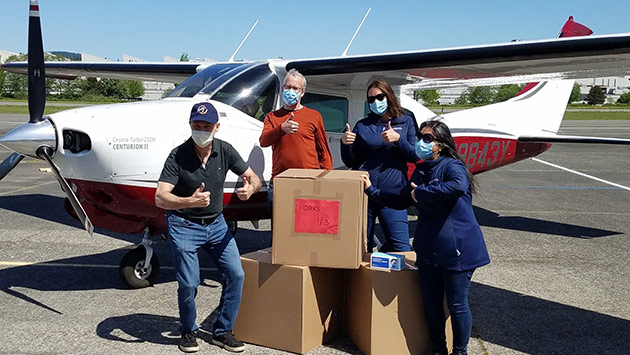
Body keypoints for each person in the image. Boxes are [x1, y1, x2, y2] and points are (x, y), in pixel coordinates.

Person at [363, 119, 490, 355]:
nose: (421, 142)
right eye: (420, 137)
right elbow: (402, 199)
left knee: (457, 303)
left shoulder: (452, 166)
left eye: (428, 138)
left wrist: (420, 193)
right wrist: (372, 190)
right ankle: (438, 348)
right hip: (429, 248)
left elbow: (457, 186)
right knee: (431, 305)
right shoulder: (421, 170)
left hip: (457, 248)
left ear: (440, 144)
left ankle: (460, 351)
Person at [155, 102, 262, 353]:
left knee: (236, 274)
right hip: (184, 225)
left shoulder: (225, 150)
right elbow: (161, 197)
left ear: (217, 127)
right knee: (189, 283)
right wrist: (188, 201)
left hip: (216, 225)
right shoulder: (177, 155)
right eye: (196, 125)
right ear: (190, 126)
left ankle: (222, 332)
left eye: (206, 126)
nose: (201, 130)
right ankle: (188, 330)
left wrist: (250, 188)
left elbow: (252, 176)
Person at [340, 79, 417, 252]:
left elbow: (414, 155)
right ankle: (365, 278)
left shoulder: (406, 120)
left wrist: (399, 140)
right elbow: (352, 161)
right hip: (364, 192)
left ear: (389, 95)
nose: (376, 102)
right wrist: (345, 144)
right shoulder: (363, 125)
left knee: (401, 245)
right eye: (371, 100)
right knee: (361, 245)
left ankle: (389, 274)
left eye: (379, 97)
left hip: (393, 193)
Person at [259, 69, 333, 215]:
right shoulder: (272, 117)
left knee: (307, 226)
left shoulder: (314, 116)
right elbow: (263, 141)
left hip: (308, 180)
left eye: (295, 88)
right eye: (287, 87)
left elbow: (323, 151)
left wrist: (326, 179)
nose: (290, 91)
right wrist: (281, 129)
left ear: (302, 92)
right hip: (281, 181)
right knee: (281, 228)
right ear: (282, 89)